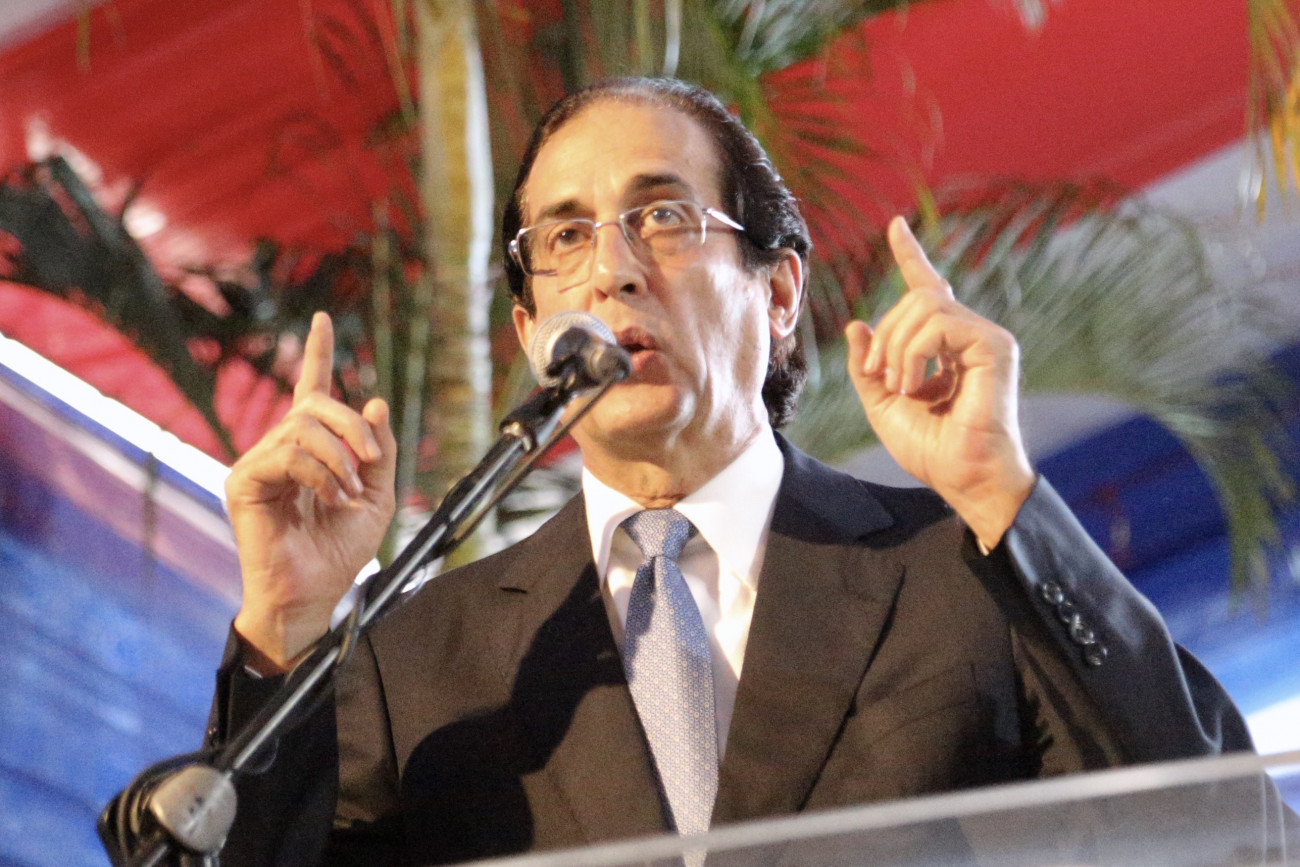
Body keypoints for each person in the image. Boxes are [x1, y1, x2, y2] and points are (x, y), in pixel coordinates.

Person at [208, 78, 1253, 865]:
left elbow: (1232, 831)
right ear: (531, 335)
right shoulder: (417, 655)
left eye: (663, 216)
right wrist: (282, 628)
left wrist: (1000, 494)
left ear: (780, 293)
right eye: (566, 236)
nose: (612, 269)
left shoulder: (960, 570)